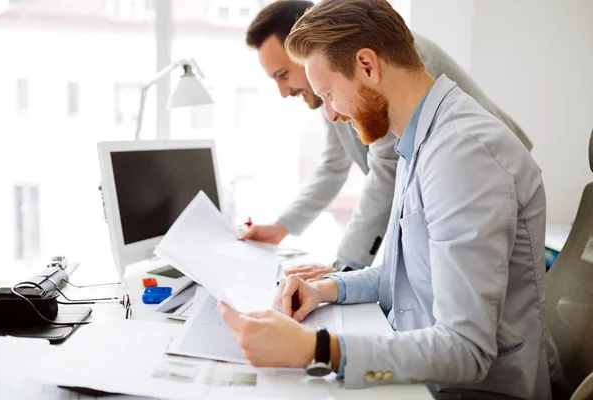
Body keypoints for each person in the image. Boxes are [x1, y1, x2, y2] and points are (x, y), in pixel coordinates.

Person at [219, 0, 567, 398]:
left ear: (367, 66)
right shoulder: (416, 138)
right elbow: (412, 273)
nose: (331, 116)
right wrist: (329, 287)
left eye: (330, 93)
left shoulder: (462, 156)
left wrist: (315, 349)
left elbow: (467, 350)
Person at [241, 0, 532, 282]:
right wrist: (282, 228)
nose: (282, 91)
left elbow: (387, 165)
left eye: (282, 75)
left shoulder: (382, 68)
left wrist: (346, 265)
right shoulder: (333, 89)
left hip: (484, 177)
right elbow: (334, 165)